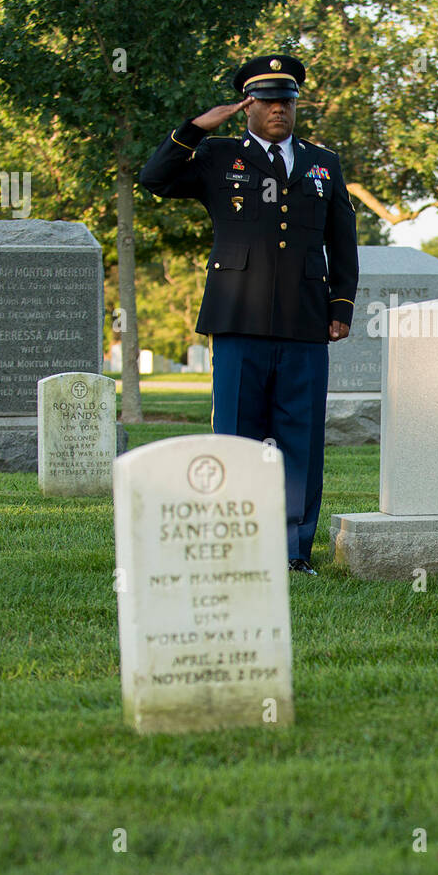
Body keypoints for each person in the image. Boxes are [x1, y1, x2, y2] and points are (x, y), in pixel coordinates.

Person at [139, 53, 359, 575]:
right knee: (237, 435)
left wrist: (341, 305)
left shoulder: (323, 164)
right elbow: (154, 178)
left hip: (306, 322)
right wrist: (193, 129)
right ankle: (235, 546)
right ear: (247, 107)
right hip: (237, 318)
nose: (278, 108)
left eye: (286, 100)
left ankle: (291, 551)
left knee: (299, 438)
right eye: (266, 100)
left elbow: (343, 242)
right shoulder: (217, 156)